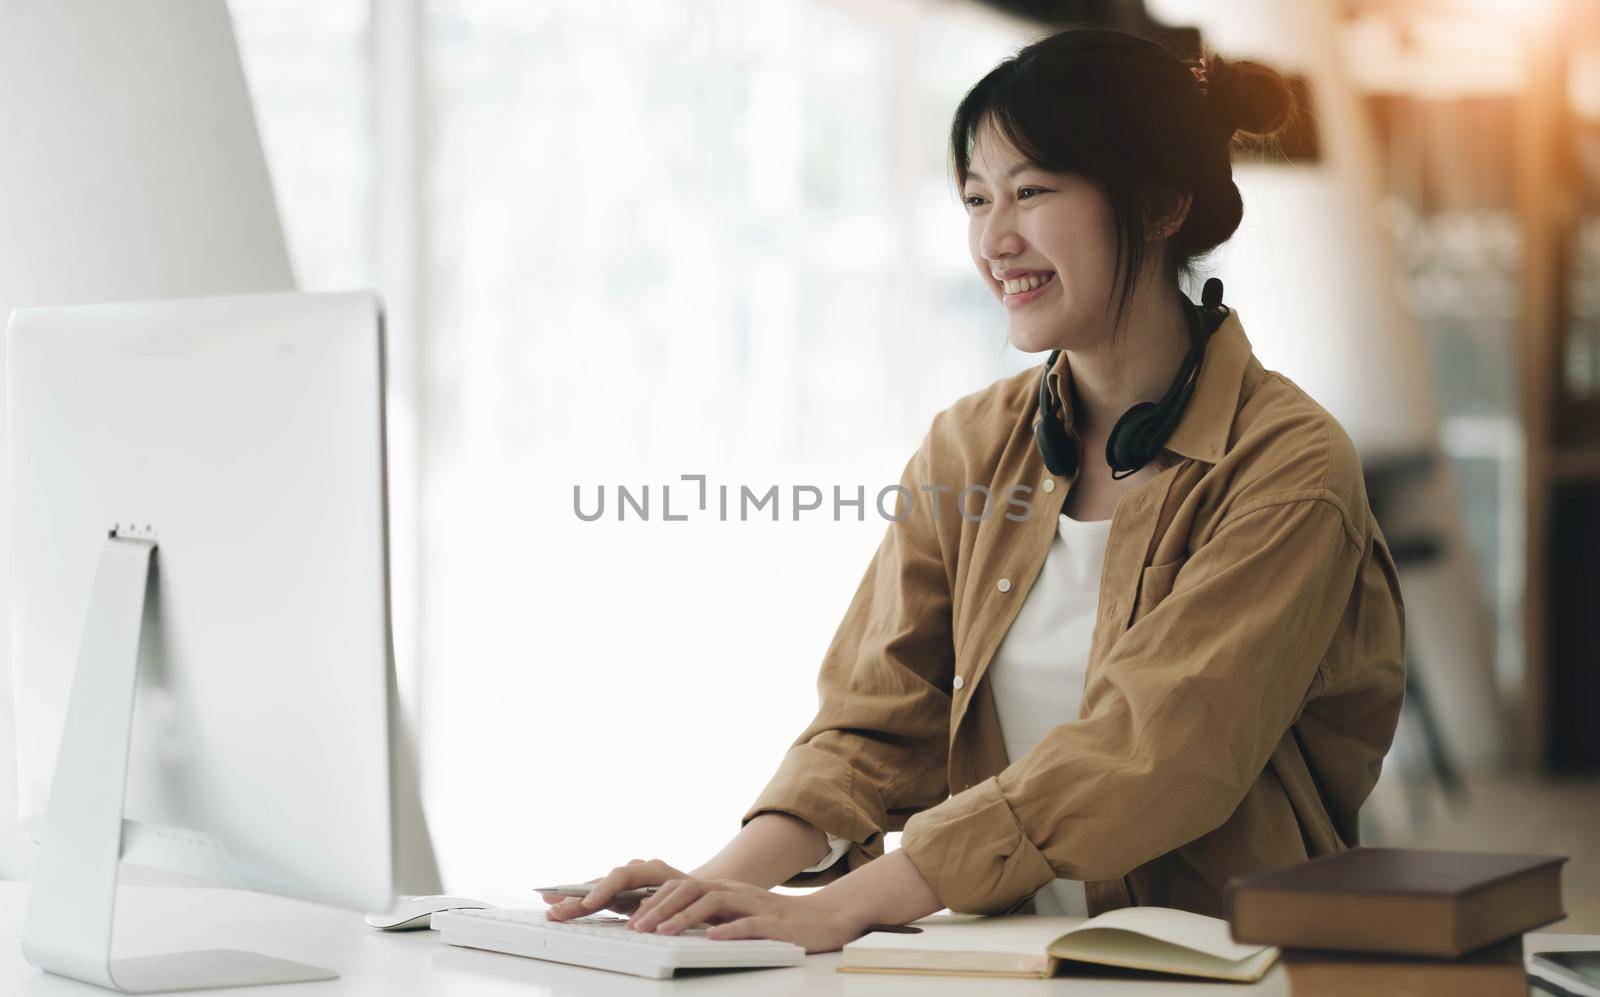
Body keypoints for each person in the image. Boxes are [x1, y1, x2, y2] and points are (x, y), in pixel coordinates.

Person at [544, 26, 1406, 954]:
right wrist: (711, 888)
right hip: (1006, 958)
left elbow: (1155, 753)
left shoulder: (1290, 466)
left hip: (1219, 962)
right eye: (975, 197)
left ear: (1158, 206)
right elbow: (874, 722)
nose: (994, 240)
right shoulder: (971, 445)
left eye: (1032, 191)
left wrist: (846, 903)